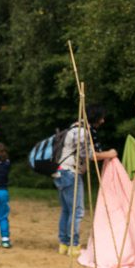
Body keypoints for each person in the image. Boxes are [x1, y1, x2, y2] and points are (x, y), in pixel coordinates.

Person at [54, 105, 118, 254]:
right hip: (70, 173)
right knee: (77, 211)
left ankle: (63, 244)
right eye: (101, 117)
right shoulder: (82, 132)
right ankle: (73, 245)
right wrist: (109, 154)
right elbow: (89, 155)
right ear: (94, 118)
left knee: (67, 210)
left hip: (61, 171)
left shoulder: (75, 127)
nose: (102, 121)